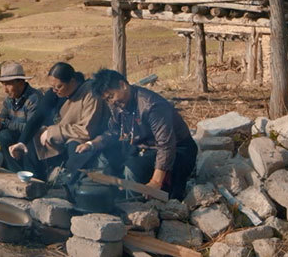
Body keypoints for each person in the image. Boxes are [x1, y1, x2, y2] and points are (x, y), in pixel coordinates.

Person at [76, 69, 197, 201]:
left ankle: (135, 207)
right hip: (143, 148)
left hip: (177, 149)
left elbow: (166, 145)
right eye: (106, 100)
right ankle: (108, 199)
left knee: (132, 168)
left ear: (123, 85)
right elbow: (114, 131)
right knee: (104, 157)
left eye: (111, 96)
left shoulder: (152, 106)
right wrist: (91, 144)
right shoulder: (118, 105)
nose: (111, 102)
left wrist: (155, 182)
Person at [7, 62, 104, 181]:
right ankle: (35, 182)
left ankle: (73, 190)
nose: (55, 90)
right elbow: (38, 117)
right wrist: (22, 142)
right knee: (32, 141)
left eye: (59, 87)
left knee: (76, 149)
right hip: (62, 133)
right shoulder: (55, 92)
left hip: (81, 138)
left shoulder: (90, 93)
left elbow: (87, 130)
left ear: (72, 82)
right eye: (52, 87)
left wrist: (51, 132)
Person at [0, 62, 42, 171]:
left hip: (28, 141)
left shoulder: (34, 99)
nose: (5, 90)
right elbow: (2, 118)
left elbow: (31, 128)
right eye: (3, 85)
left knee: (4, 136)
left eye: (8, 84)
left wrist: (3, 123)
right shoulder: (9, 99)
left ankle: (15, 171)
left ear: (21, 83)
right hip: (11, 135)